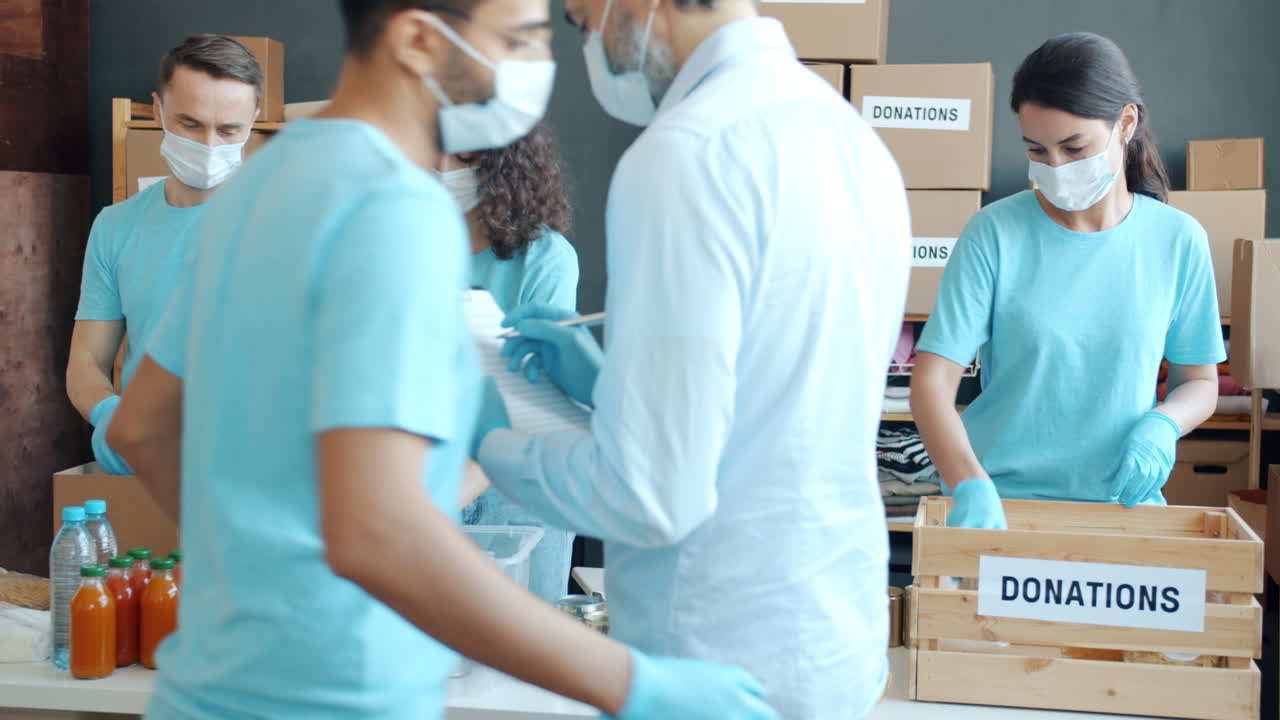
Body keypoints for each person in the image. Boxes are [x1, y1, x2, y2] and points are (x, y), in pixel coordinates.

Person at [107, 1, 775, 718]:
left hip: (207, 688)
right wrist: (631, 683)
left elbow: (139, 428)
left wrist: (262, 570)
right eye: (517, 39)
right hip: (338, 697)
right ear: (421, 39)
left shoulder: (253, 187)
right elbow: (380, 534)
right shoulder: (398, 208)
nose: (536, 67)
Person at [473, 0, 911, 715]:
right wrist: (614, 387)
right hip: (837, 641)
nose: (591, 47)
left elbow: (650, 496)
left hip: (720, 653)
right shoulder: (848, 137)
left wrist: (486, 437)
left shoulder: (684, 152)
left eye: (583, 22)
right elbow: (777, 393)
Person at [910, 33, 1223, 529]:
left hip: (1121, 509)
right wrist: (970, 484)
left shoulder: (1178, 240)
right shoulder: (995, 233)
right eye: (1037, 149)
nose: (1054, 167)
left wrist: (1165, 423)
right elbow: (931, 381)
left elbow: (1200, 382)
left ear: (1125, 123)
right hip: (1000, 504)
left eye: (1074, 148)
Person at [66, 35, 262, 475]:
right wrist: (109, 415)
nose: (210, 145)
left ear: (253, 118)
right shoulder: (115, 227)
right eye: (189, 124)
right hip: (149, 471)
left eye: (229, 129)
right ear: (157, 111)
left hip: (257, 478)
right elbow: (87, 361)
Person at [441, 124, 581, 604]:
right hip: (431, 467)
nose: (443, 170)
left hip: (521, 486)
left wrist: (440, 500)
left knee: (527, 661)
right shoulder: (400, 251)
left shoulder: (546, 260)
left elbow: (525, 403)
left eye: (461, 158)